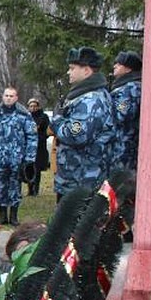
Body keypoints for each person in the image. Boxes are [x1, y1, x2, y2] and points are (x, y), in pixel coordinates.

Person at [51, 46, 116, 201]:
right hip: (77, 178)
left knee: (74, 224)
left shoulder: (91, 100)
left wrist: (57, 120)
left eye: (72, 68)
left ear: (86, 71)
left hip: (82, 181)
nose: (68, 72)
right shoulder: (86, 96)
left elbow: (77, 136)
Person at [0, 87, 38, 225]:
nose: (8, 98)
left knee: (15, 187)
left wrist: (29, 159)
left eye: (11, 96)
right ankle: (2, 215)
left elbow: (32, 137)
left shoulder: (24, 114)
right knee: (1, 186)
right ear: (2, 97)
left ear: (16, 98)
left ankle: (13, 216)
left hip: (17, 158)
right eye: (6, 95)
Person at [109, 50, 142, 171]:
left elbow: (120, 115)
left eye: (119, 63)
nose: (115, 66)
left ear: (128, 69)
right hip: (122, 148)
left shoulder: (129, 89)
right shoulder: (126, 87)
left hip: (123, 150)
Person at [26, 98, 51, 197]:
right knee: (28, 168)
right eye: (31, 106)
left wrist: (39, 136)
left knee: (37, 169)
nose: (33, 108)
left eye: (35, 106)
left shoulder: (43, 117)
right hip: (29, 146)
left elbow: (47, 132)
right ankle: (30, 189)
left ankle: (35, 189)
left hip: (39, 146)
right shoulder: (27, 117)